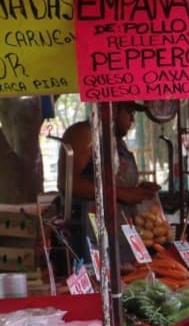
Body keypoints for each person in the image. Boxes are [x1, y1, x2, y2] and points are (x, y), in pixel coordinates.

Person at [60, 102, 160, 255]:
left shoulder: (115, 140)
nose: (132, 120)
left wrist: (137, 189)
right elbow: (68, 183)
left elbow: (114, 180)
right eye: (129, 112)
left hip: (122, 232)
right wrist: (120, 193)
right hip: (93, 231)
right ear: (112, 109)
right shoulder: (84, 133)